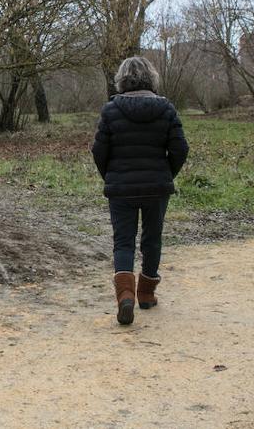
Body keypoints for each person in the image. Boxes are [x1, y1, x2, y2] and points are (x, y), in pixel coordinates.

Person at [91, 56, 189, 325]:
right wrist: (166, 174)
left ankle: (125, 296)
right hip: (157, 186)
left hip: (121, 188)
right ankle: (146, 294)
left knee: (123, 241)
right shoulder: (166, 109)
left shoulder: (111, 110)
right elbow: (181, 149)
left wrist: (110, 176)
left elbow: (99, 150)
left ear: (122, 79)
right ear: (151, 78)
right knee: (152, 239)